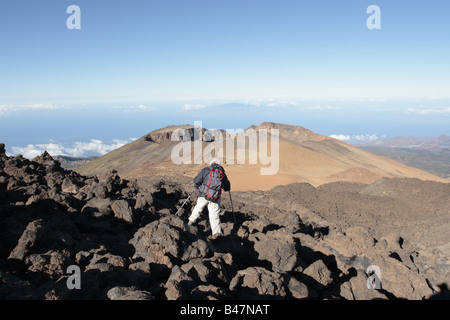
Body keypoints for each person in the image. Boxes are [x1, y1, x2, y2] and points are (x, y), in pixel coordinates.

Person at [188, 158, 231, 238]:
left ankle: (191, 221)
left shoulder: (205, 170)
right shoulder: (221, 171)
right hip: (215, 197)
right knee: (214, 215)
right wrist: (227, 188)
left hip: (204, 195)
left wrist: (199, 186)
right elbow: (227, 185)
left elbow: (196, 180)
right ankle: (217, 234)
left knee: (198, 208)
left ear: (211, 163)